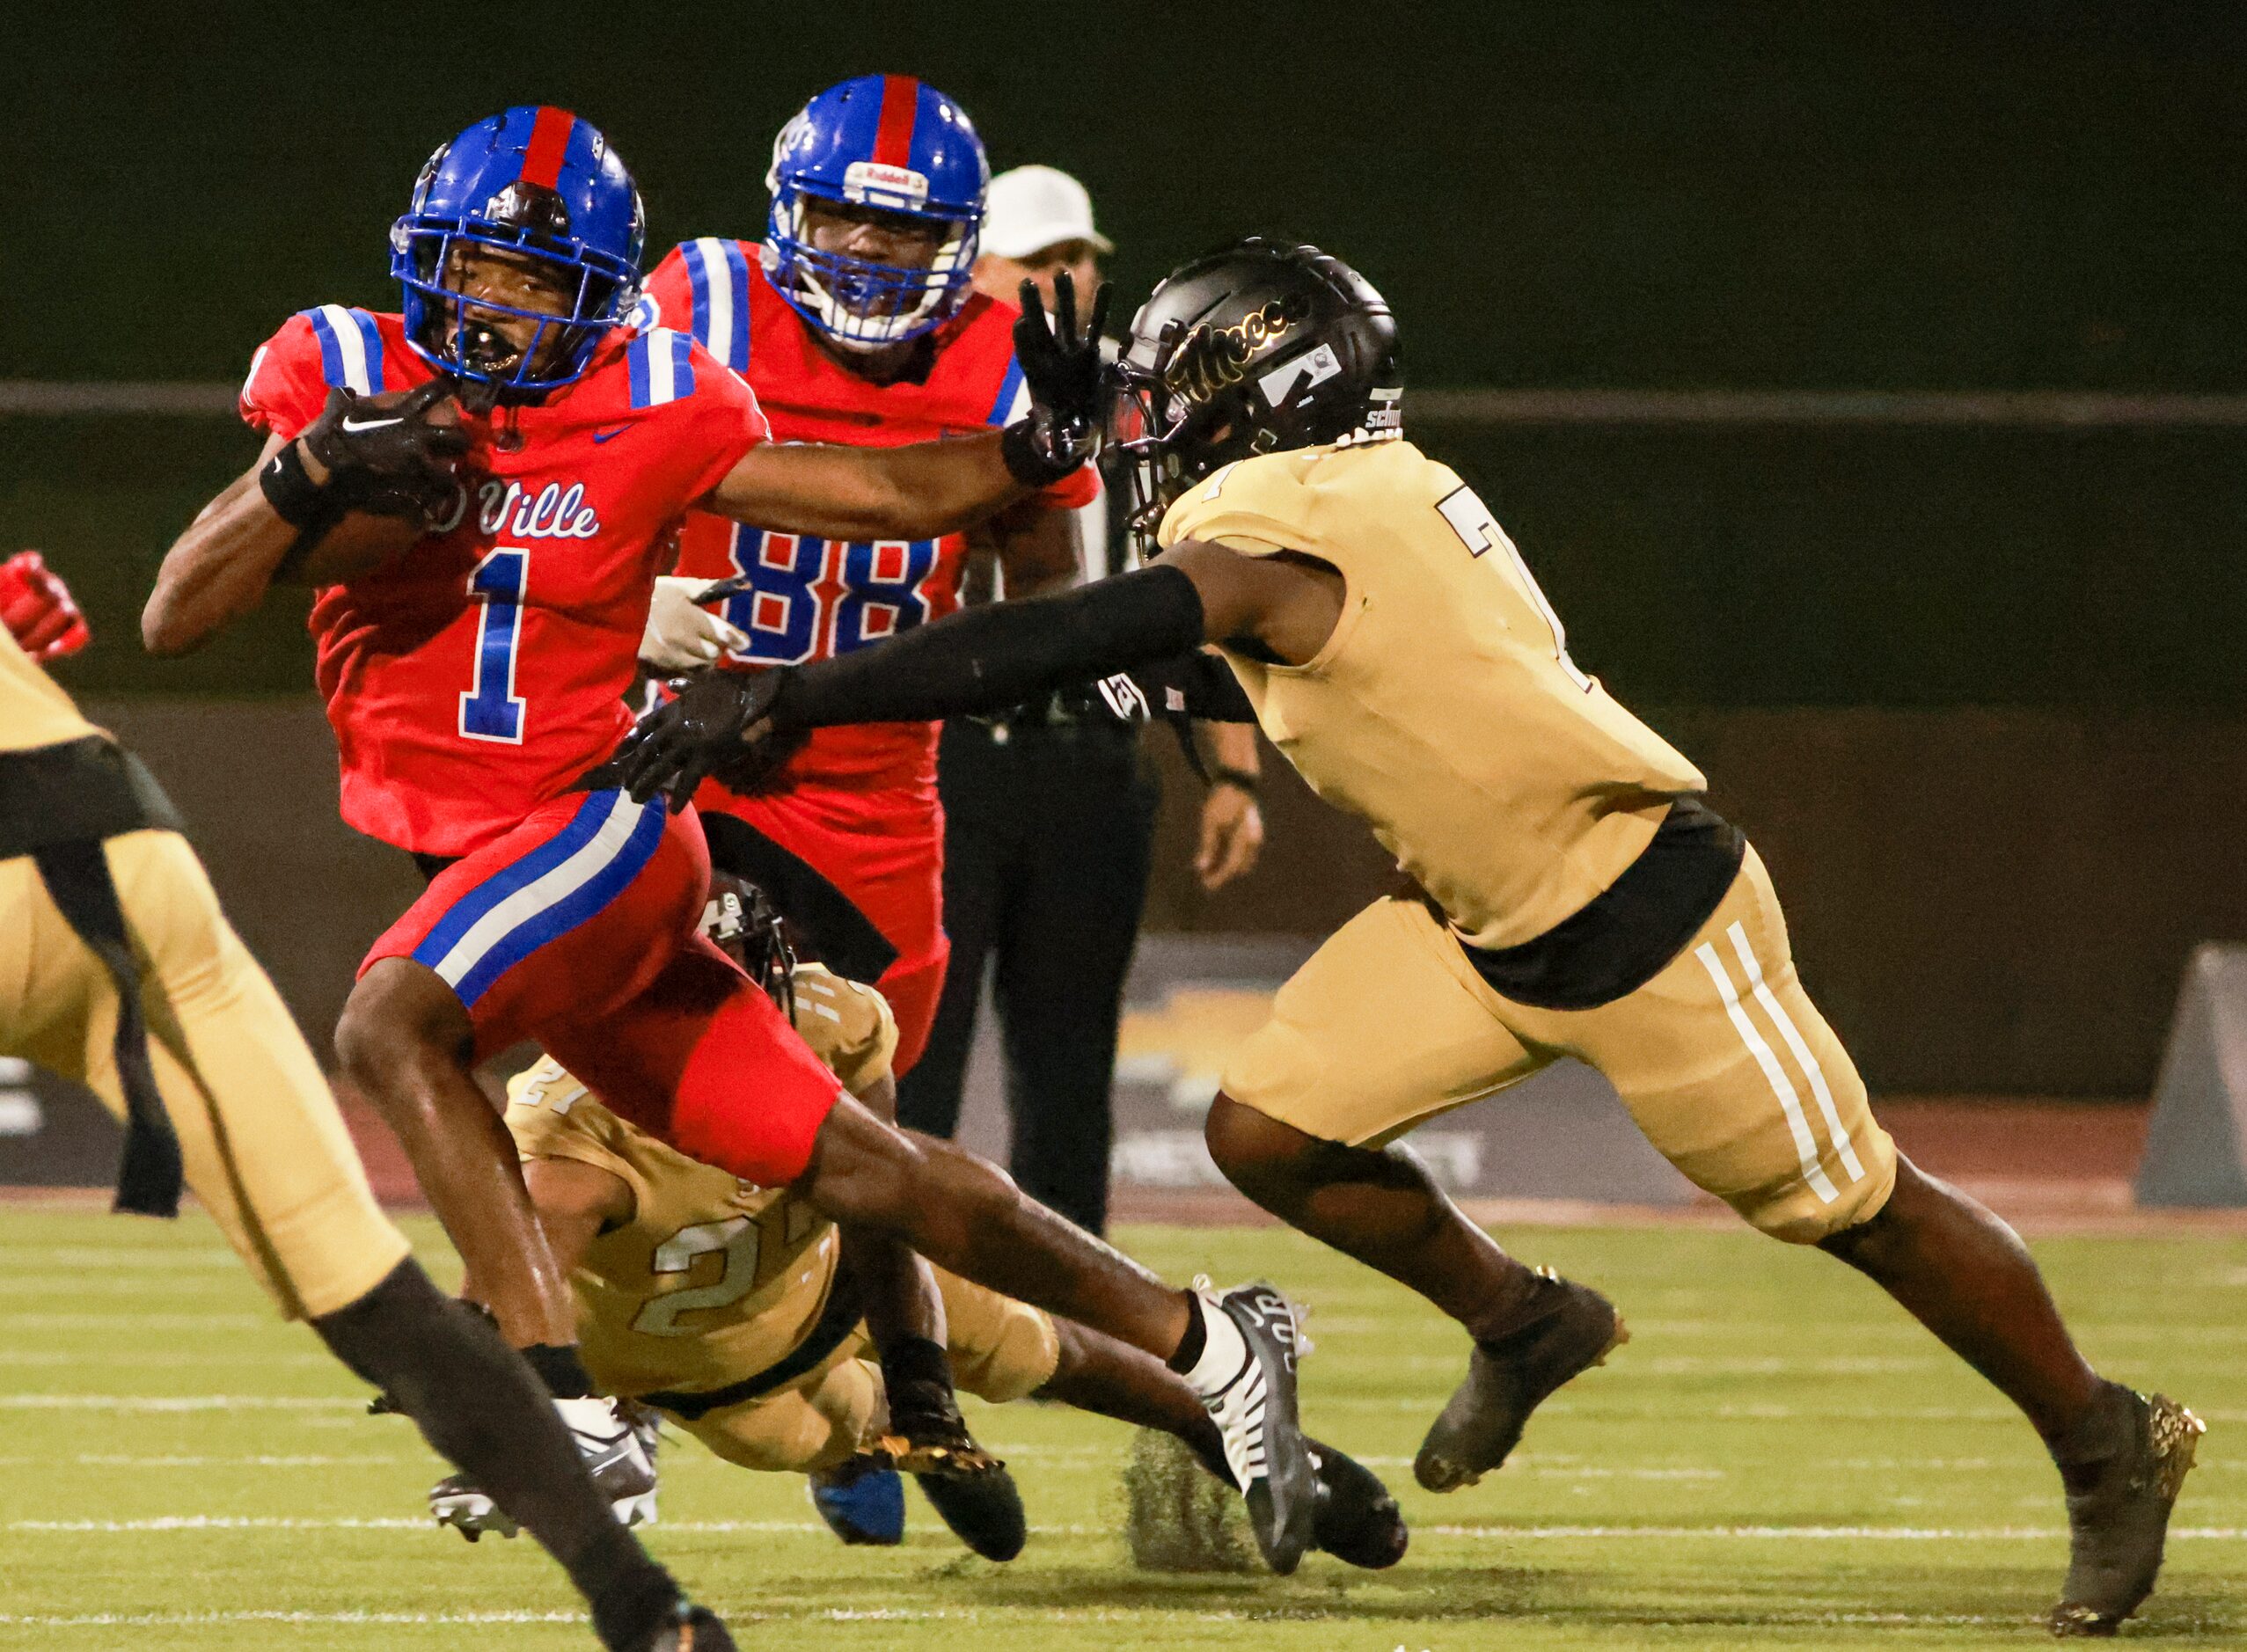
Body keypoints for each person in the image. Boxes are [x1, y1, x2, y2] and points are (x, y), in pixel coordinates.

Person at [613, 239, 2207, 1636]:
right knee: (1271, 1129)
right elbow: (1243, 660)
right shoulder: (1348, 493)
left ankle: (2100, 1433)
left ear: (1254, 398)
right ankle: (1524, 1315)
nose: (1161, 432)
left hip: (1635, 904)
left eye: (1178, 400)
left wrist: (796, 689)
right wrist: (1075, 455)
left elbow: (1092, 625)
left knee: (1854, 1205)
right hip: (1470, 918)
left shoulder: (1284, 525)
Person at [143, 111, 1323, 1575]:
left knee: (393, 1021)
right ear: (424, 259)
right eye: (478, 269)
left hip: (600, 827)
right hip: (490, 858)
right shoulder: (345, 367)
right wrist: (304, 471)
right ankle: (1209, 1340)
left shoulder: (661, 397)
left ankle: (559, 1401)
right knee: (864, 1163)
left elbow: (884, 494)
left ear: (592, 287)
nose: (498, 303)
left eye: (534, 276)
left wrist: (1034, 442)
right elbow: (177, 611)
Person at [0, 552, 732, 1652]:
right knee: (383, 1310)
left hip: (69, 864)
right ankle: (646, 1610)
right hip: (120, 852)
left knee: (387, 1301)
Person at [491, 875, 1404, 1568]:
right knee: (837, 1431)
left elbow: (884, 1206)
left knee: (1042, 1349)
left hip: (830, 1271)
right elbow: (511, 1307)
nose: (728, 1029)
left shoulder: (834, 1022)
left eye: (740, 997)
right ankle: (869, 1452)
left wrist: (922, 1371)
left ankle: (1247, 1439)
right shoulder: (569, 1141)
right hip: (718, 1374)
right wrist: (547, 1422)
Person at [631, 77, 1097, 1079]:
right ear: (787, 210)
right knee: (657, 1082)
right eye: (841, 214)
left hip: (875, 790)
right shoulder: (704, 302)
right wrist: (628, 607)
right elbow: (585, 476)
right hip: (683, 757)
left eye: (902, 226)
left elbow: (1046, 587)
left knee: (870, 1091)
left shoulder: (1004, 366)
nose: (867, 248)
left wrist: (1026, 666)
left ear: (960, 242)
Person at [896, 164, 1264, 1236]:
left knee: (1069, 1064)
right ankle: (899, 1301)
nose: (1070, 276)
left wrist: (1231, 771)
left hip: (1092, 760)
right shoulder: (928, 379)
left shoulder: (1144, 399)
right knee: (917, 1051)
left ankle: (1080, 1315)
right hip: (945, 756)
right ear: (979, 268)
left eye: (1080, 256)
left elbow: (1191, 587)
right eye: (1041, 258)